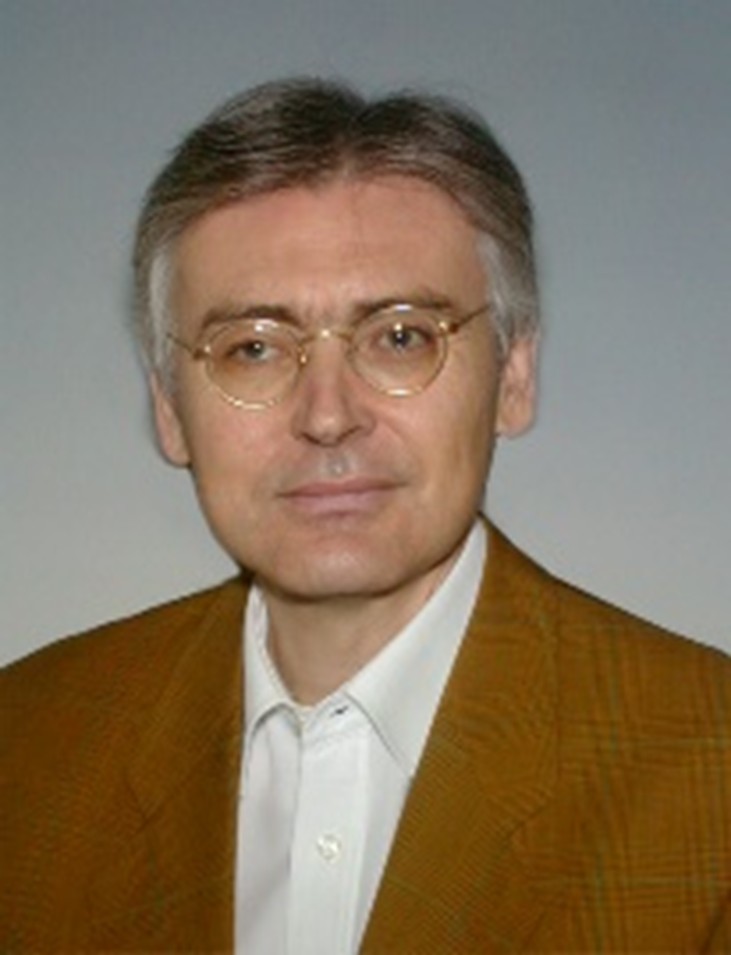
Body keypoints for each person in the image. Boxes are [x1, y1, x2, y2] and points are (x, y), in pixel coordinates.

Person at [1, 77, 729, 954]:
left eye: (400, 336)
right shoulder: (26, 743)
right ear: (167, 408)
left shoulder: (709, 768)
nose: (327, 414)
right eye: (253, 348)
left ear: (513, 376)